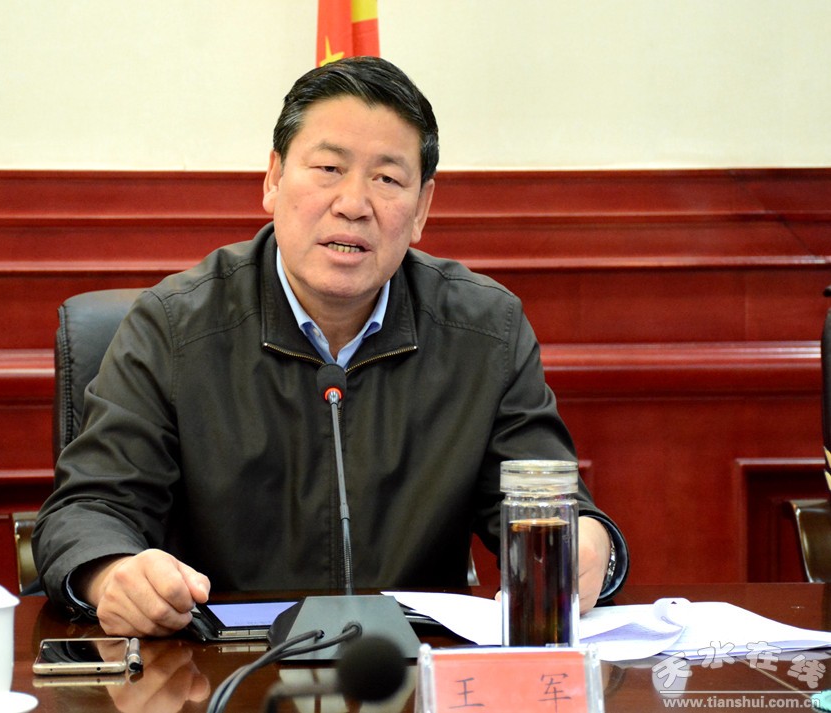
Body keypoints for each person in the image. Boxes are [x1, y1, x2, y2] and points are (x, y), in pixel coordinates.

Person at [33, 56, 629, 638]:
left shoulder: (486, 332)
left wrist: (589, 546)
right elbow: (87, 511)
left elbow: (548, 506)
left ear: (421, 208)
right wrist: (112, 572)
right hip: (223, 669)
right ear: (273, 178)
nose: (353, 204)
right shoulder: (173, 327)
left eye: (387, 179)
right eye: (328, 168)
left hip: (409, 668)